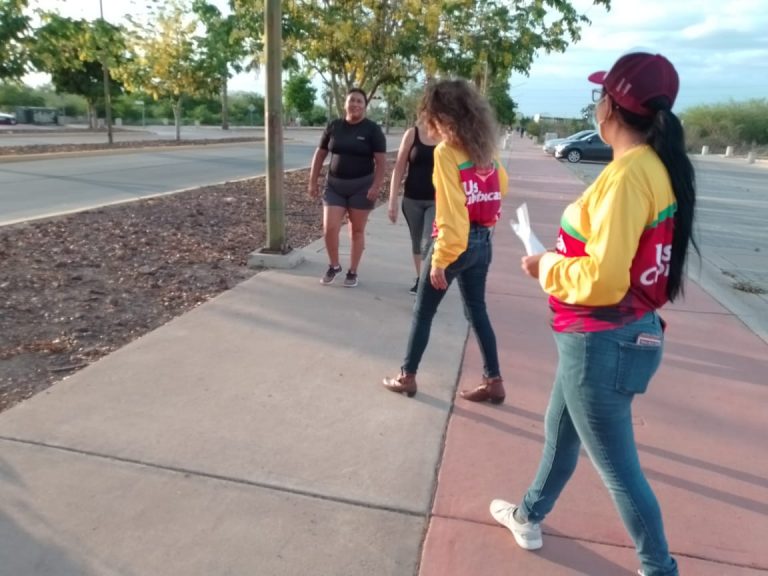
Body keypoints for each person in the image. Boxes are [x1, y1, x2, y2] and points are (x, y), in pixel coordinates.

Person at [489, 53, 696, 576]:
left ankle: (660, 568)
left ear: (610, 107)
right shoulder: (652, 166)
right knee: (559, 428)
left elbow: (605, 278)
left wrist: (547, 265)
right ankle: (529, 514)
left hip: (600, 339)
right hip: (610, 335)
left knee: (618, 470)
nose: (595, 103)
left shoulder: (629, 175)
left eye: (599, 94)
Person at [382, 79, 509, 404]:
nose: (429, 123)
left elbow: (452, 212)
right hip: (483, 241)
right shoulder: (484, 150)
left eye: (432, 116)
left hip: (455, 244)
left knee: (423, 312)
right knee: (477, 311)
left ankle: (407, 376)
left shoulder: (446, 153)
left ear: (443, 117)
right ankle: (493, 380)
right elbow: (500, 189)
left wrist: (441, 258)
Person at [308, 88, 387, 287]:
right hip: (334, 185)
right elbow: (320, 154)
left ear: (365, 106)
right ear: (345, 104)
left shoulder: (372, 130)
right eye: (352, 100)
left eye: (360, 101)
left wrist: (376, 186)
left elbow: (381, 162)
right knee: (330, 228)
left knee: (357, 231)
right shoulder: (334, 126)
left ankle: (353, 271)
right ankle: (334, 265)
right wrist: (312, 180)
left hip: (362, 186)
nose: (355, 105)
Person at [387, 121, 439, 295]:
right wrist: (392, 199)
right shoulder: (412, 134)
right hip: (412, 199)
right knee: (416, 242)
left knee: (428, 242)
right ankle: (421, 279)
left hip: (437, 200)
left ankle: (428, 281)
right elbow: (399, 167)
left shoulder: (448, 134)